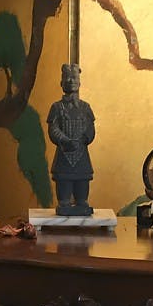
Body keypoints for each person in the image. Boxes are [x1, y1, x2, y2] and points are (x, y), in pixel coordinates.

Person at [47, 63, 95, 216]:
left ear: (79, 82)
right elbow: (53, 129)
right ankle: (65, 203)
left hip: (81, 155)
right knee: (64, 182)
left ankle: (82, 202)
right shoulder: (56, 107)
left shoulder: (86, 107)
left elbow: (90, 129)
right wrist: (65, 140)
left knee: (82, 182)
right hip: (63, 154)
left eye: (74, 78)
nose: (70, 81)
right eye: (66, 78)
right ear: (61, 83)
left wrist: (83, 139)